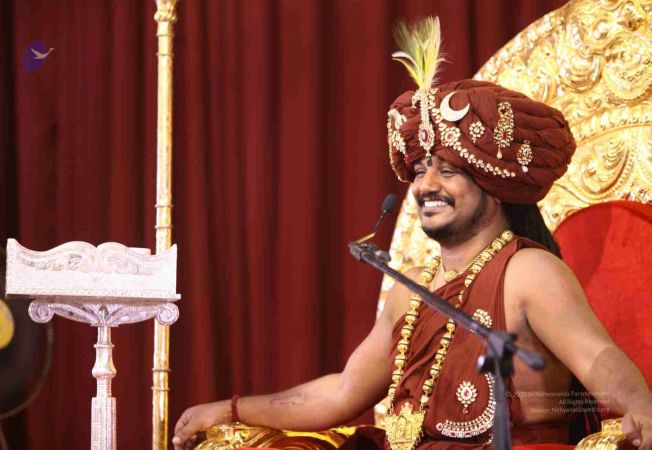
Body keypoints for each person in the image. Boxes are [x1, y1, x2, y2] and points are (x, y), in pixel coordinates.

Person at [173, 17, 652, 450]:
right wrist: (231, 409)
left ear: (495, 186)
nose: (425, 185)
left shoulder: (528, 272)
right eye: (421, 170)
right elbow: (341, 393)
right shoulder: (411, 288)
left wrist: (640, 408)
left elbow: (598, 358)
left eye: (448, 171)